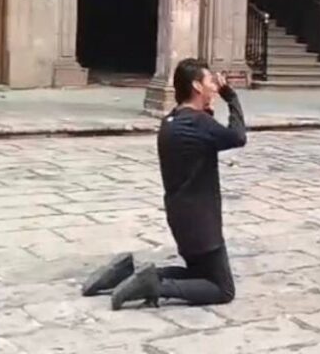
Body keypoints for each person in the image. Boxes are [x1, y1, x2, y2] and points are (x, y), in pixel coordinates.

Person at [82, 58, 247, 310]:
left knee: (199, 273)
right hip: (201, 220)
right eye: (210, 82)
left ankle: (127, 273)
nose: (215, 86)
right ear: (196, 86)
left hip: (181, 216)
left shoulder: (172, 121)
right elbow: (237, 136)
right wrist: (231, 97)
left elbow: (205, 135)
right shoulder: (199, 124)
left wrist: (209, 104)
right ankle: (155, 287)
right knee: (222, 288)